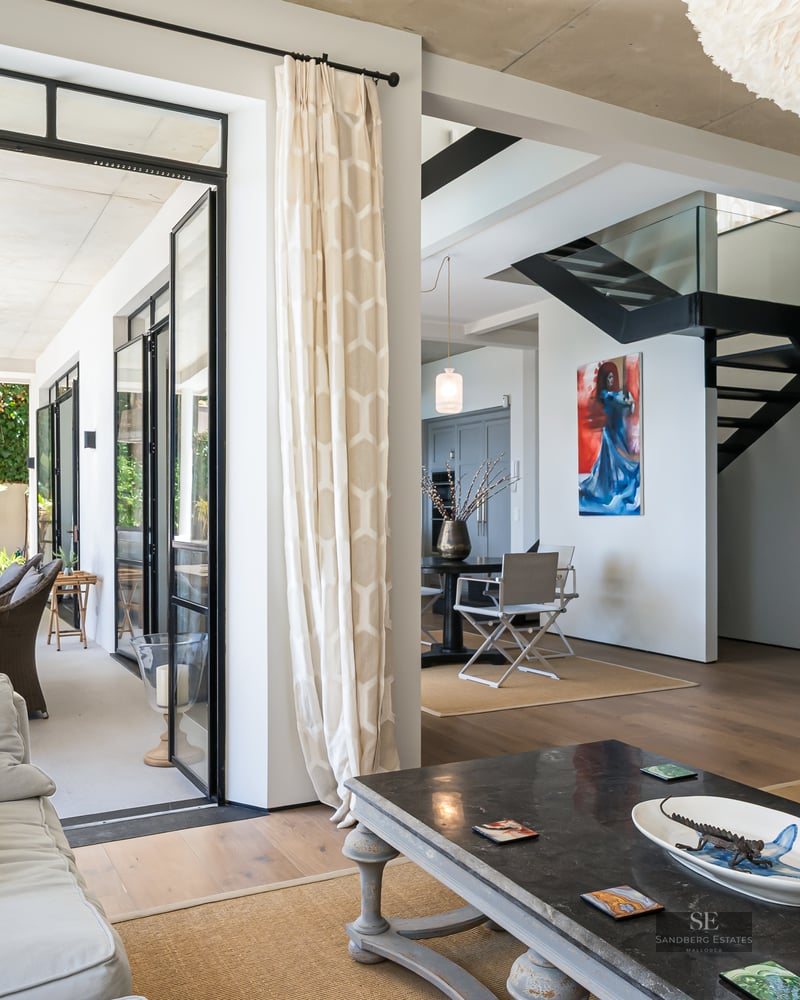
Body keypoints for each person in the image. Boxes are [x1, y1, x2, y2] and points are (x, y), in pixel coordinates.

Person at [579, 360, 640, 515]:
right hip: (609, 433)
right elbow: (619, 403)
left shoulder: (613, 395)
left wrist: (627, 401)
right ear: (604, 378)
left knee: (613, 461)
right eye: (608, 377)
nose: (610, 380)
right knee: (609, 461)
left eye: (612, 377)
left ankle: (613, 486)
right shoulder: (606, 396)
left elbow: (625, 405)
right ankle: (609, 488)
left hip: (615, 431)